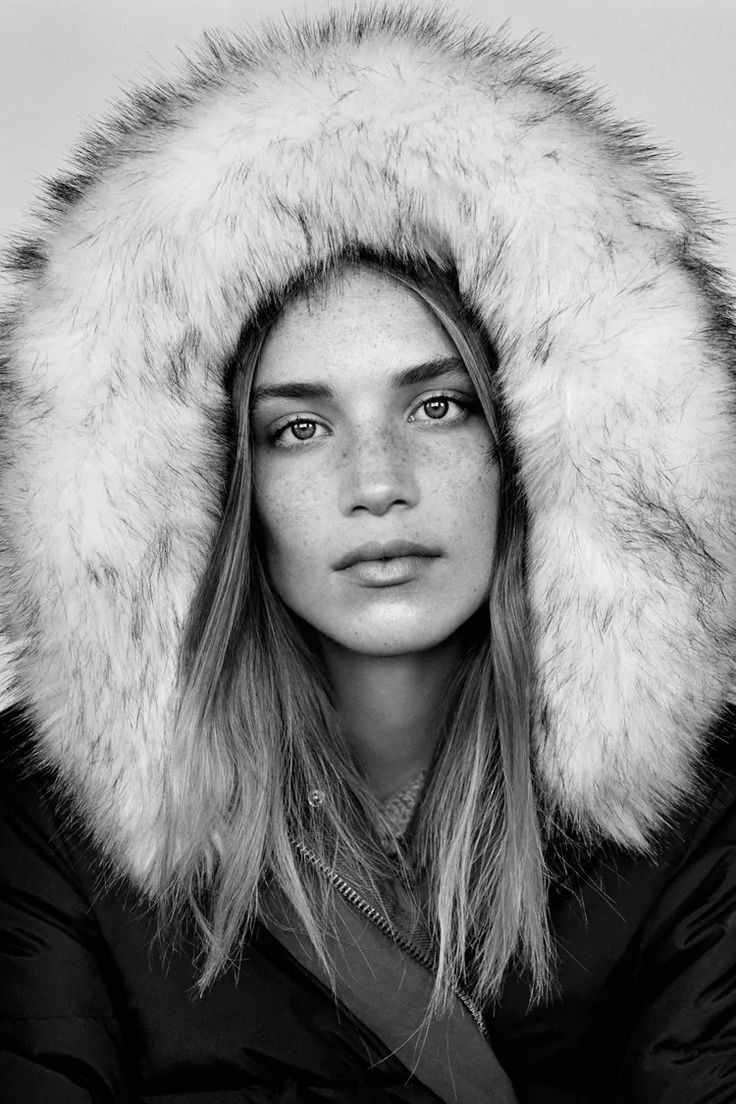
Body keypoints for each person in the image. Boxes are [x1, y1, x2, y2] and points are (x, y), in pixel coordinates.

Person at [0, 5, 734, 1103]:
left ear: (538, 444)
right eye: (298, 427)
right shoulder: (48, 818)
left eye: (437, 407)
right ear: (211, 487)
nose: (377, 481)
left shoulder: (698, 811)